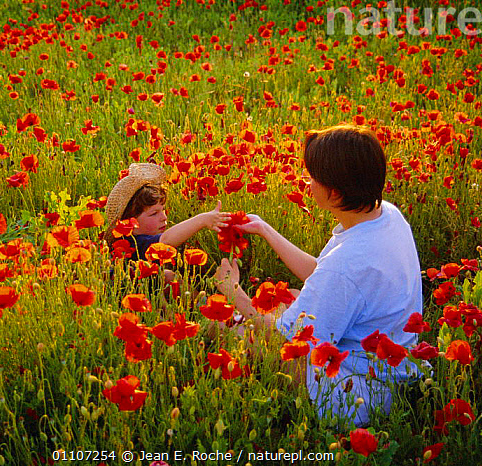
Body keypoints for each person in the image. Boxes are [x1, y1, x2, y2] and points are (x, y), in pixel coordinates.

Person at [214, 125, 423, 427]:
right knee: (288, 300)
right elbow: (322, 274)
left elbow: (281, 339)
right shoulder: (386, 216)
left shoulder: (347, 264)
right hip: (392, 366)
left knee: (228, 325)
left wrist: (234, 293)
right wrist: (265, 229)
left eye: (312, 177)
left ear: (335, 192)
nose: (306, 182)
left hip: (356, 395)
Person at [104, 163, 231, 262]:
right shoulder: (133, 244)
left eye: (163, 210)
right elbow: (166, 241)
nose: (164, 217)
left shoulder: (141, 238)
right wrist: (202, 220)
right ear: (129, 222)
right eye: (154, 213)